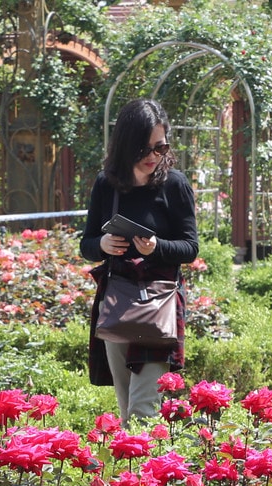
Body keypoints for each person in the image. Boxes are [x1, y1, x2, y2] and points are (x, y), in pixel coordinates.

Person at [81, 98, 199, 424]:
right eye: (144, 149)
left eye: (160, 147)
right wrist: (103, 244)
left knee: (142, 410)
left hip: (159, 304)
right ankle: (132, 473)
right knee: (126, 408)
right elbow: (87, 244)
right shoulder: (107, 184)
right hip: (118, 298)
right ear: (125, 145)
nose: (152, 157)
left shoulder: (174, 185)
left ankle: (146, 473)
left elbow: (190, 247)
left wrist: (157, 247)